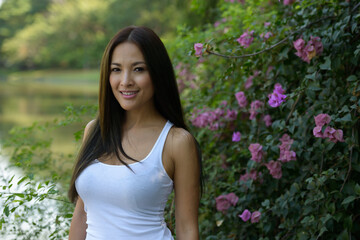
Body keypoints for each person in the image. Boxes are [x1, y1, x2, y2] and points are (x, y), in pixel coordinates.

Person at [67, 26, 202, 240]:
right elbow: (82, 215)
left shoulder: (176, 142)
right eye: (116, 69)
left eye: (138, 69)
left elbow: (187, 229)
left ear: (157, 73)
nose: (125, 81)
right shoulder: (95, 131)